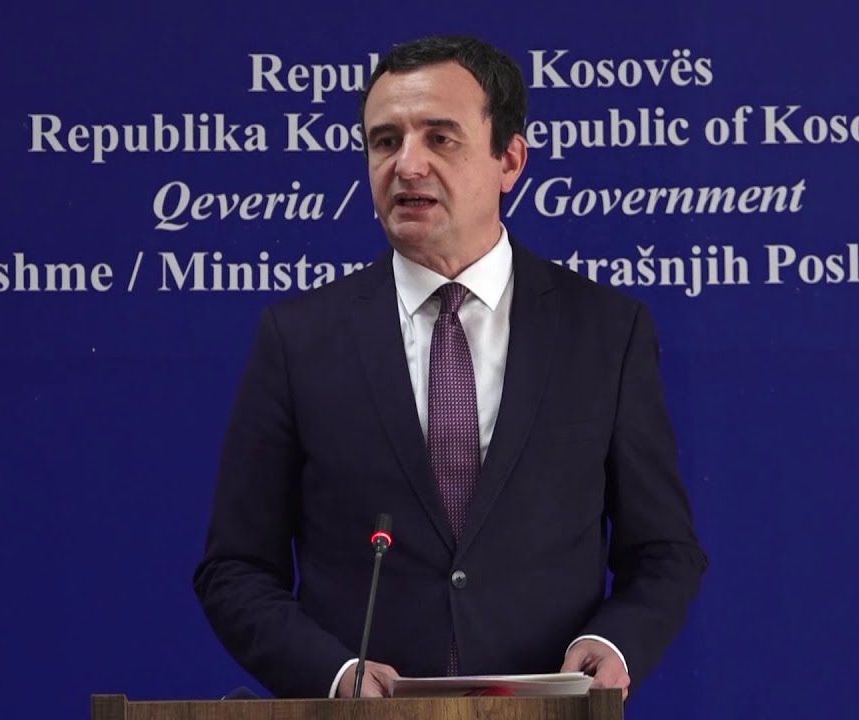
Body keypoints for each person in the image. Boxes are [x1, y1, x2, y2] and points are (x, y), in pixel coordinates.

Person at [192, 34, 707, 701]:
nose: (407, 165)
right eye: (385, 141)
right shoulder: (299, 338)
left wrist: (614, 644)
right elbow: (234, 568)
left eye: (440, 138)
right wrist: (335, 673)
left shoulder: (605, 331)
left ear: (509, 160)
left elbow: (664, 552)